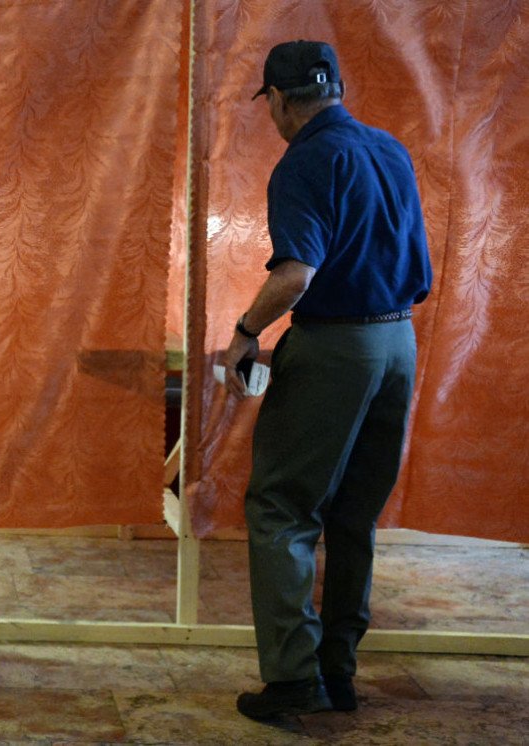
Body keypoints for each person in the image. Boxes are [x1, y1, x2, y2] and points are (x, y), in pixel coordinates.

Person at [221, 40, 432, 720]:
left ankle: (292, 682)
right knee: (353, 515)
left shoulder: (306, 159)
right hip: (398, 343)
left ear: (280, 100)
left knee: (281, 509)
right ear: (336, 88)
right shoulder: (389, 149)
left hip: (337, 347)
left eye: (270, 104)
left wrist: (246, 332)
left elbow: (296, 274)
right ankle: (337, 673)